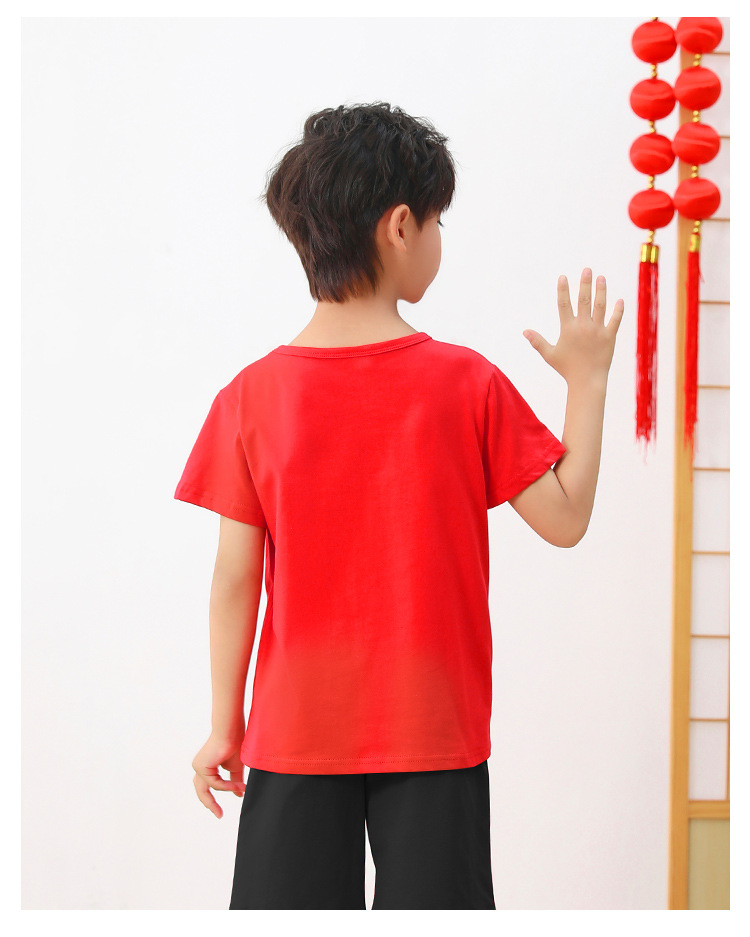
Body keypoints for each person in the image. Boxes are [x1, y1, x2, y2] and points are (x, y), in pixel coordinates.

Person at [173, 101, 624, 910]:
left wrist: (224, 722)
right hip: (434, 727)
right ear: (402, 226)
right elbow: (566, 519)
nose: (439, 237)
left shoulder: (250, 397)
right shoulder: (466, 382)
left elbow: (234, 580)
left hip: (293, 729)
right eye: (439, 220)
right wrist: (587, 383)